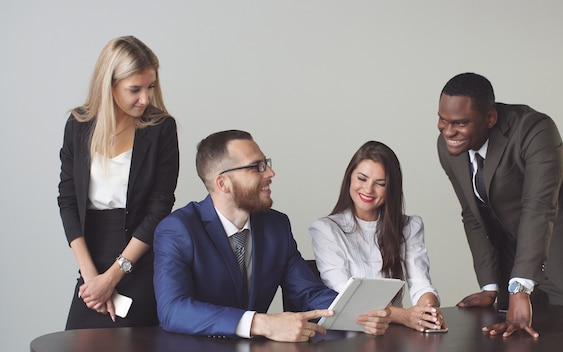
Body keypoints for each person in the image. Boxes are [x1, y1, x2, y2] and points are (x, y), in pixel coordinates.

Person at [153, 130, 391, 342]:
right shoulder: (177, 229)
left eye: (266, 163)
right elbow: (173, 310)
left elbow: (308, 292)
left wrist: (361, 316)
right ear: (223, 183)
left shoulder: (276, 225)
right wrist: (262, 323)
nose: (270, 173)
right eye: (256, 167)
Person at [436, 72, 563, 338]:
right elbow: (472, 215)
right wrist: (490, 285)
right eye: (443, 120)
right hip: (513, 262)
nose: (449, 131)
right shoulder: (449, 146)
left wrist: (520, 288)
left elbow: (539, 206)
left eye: (460, 123)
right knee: (515, 341)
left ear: (490, 118)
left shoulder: (536, 130)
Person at [57, 36, 179, 330]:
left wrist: (113, 276)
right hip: (92, 265)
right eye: (134, 89)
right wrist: (92, 278)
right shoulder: (78, 126)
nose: (145, 98)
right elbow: (68, 200)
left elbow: (160, 206)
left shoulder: (161, 128)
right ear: (108, 85)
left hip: (140, 260)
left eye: (150, 87)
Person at [309, 141, 446, 333]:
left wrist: (428, 311)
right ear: (349, 177)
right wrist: (404, 316)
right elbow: (346, 297)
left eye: (380, 184)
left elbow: (420, 281)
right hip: (346, 335)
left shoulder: (409, 226)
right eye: (362, 178)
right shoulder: (326, 230)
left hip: (391, 335)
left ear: (391, 188)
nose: (368, 189)